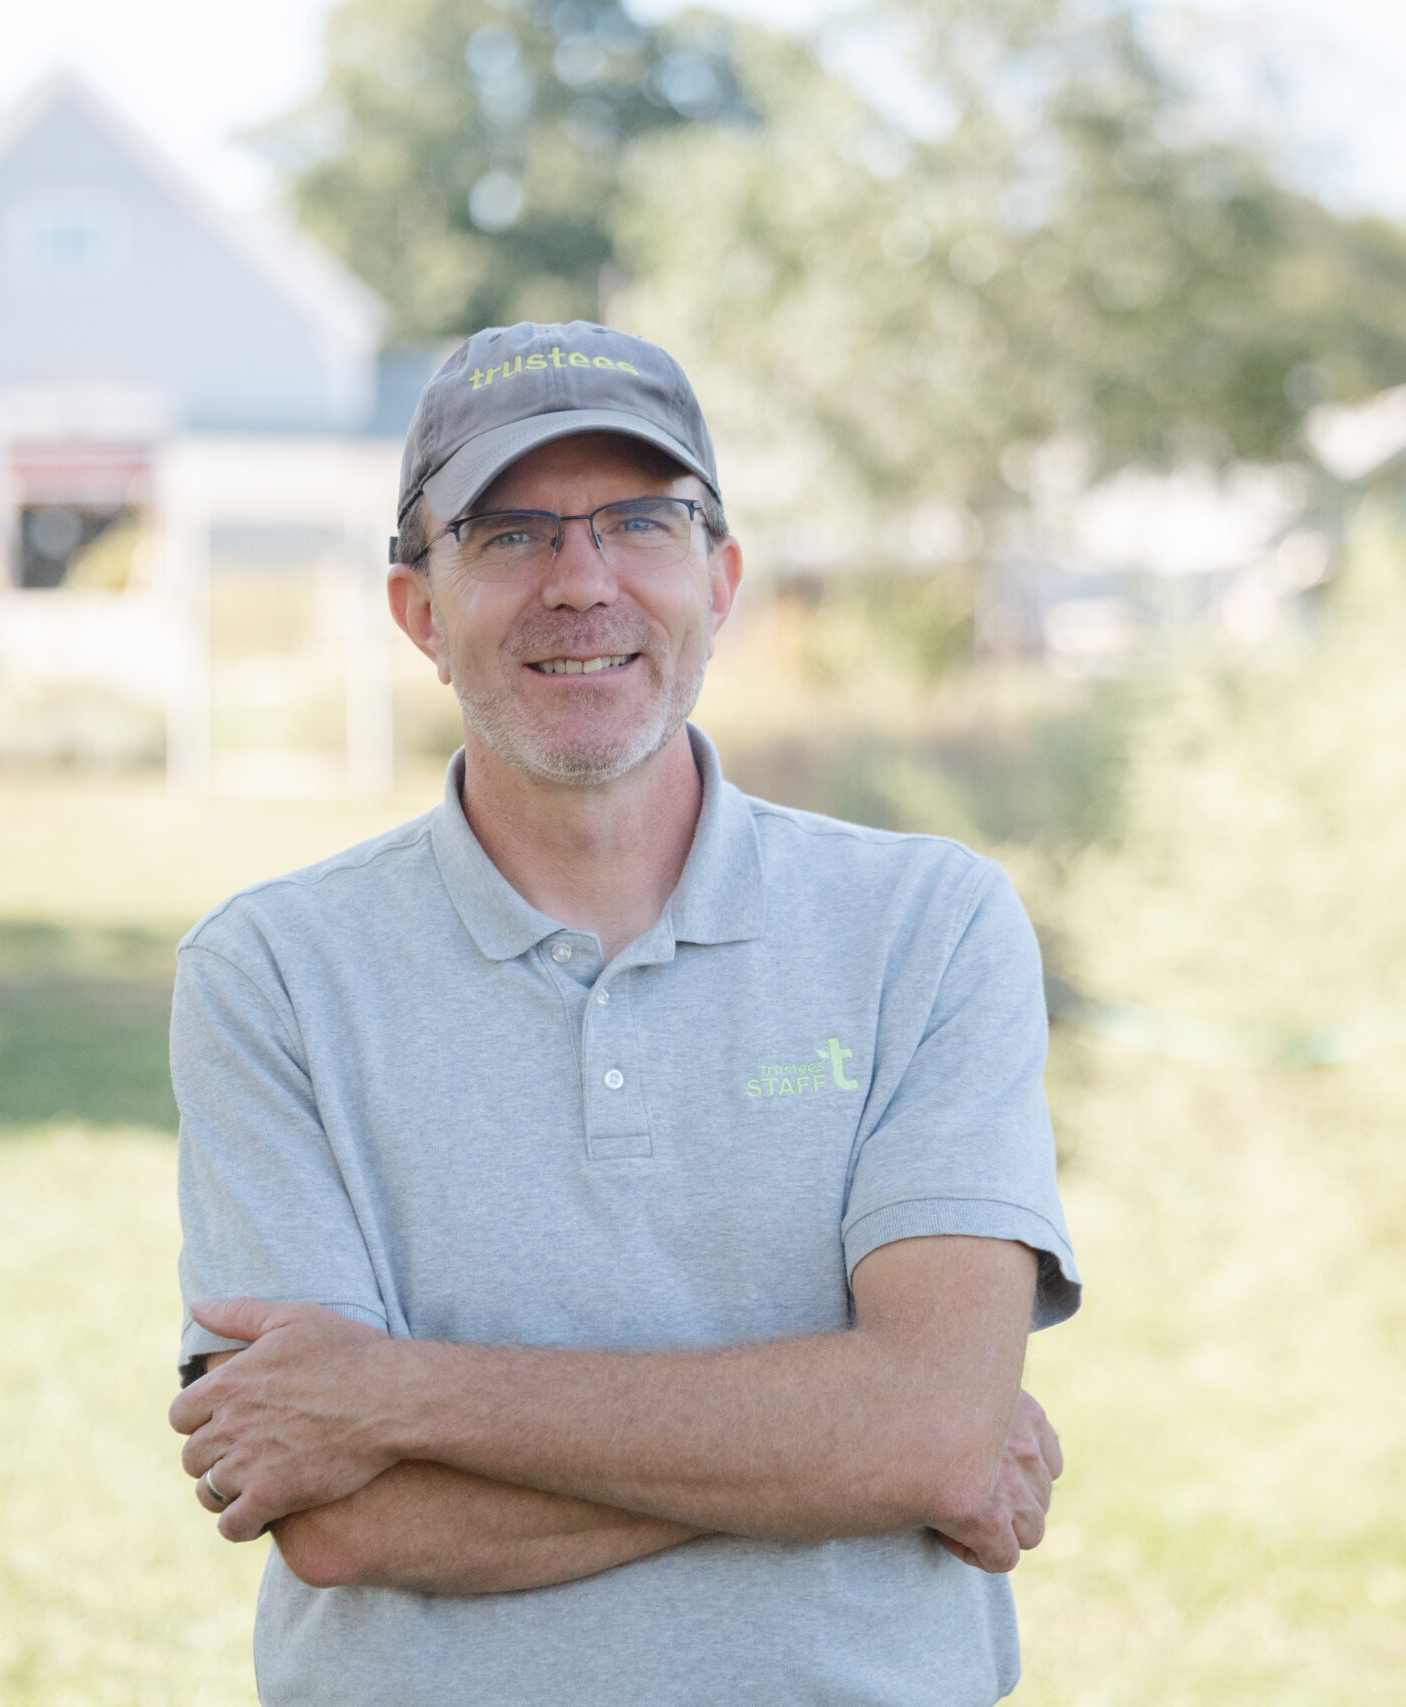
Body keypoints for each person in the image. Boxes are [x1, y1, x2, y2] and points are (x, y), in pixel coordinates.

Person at [167, 321, 1080, 1707]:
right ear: (420, 608)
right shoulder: (273, 973)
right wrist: (852, 1440)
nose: (581, 583)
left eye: (640, 522)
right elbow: (346, 1520)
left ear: (717, 580)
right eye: (510, 533)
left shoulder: (929, 927)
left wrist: (399, 1398)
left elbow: (935, 1436)